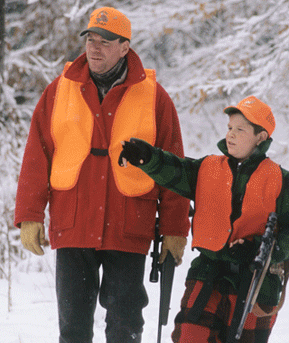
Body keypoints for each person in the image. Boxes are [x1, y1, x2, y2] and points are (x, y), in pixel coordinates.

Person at [12, 7, 190, 342]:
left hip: (129, 225)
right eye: (91, 39)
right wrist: (30, 215)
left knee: (125, 327)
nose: (95, 48)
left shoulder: (154, 97)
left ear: (125, 47)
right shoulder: (58, 90)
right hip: (74, 223)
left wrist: (175, 228)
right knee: (73, 327)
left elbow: (173, 166)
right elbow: (37, 154)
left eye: (105, 42)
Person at [118, 96, 289, 342]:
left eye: (240, 130)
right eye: (229, 128)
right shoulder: (208, 168)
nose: (230, 135)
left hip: (255, 282)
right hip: (208, 274)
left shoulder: (278, 179)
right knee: (190, 337)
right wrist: (147, 157)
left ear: (261, 137)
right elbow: (175, 170)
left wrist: (263, 251)